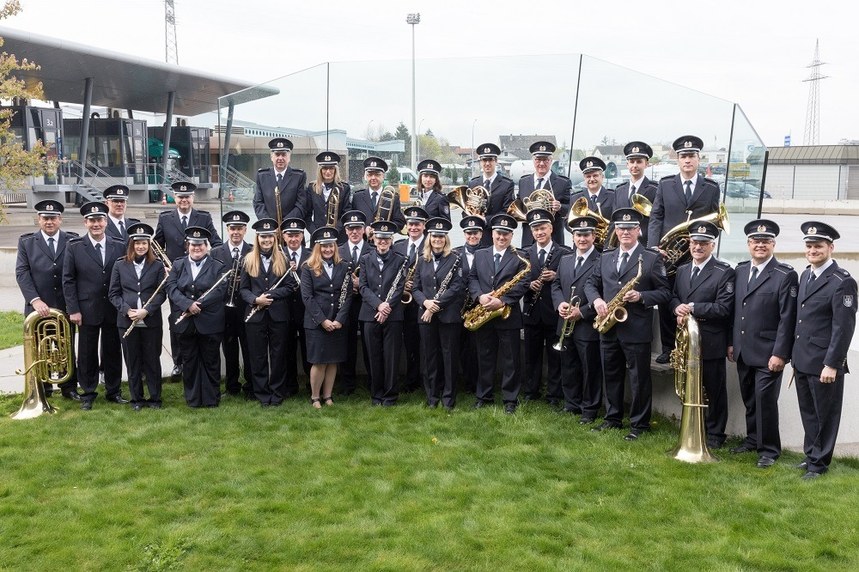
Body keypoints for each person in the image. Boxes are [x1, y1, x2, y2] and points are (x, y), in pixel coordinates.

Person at [584, 208, 671, 440]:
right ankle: (612, 418)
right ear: (616, 230)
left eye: (630, 228)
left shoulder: (652, 258)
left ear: (638, 231)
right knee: (610, 374)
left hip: (636, 329)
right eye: (621, 228)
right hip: (609, 325)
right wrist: (597, 300)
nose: (625, 232)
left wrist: (642, 297)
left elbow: (665, 293)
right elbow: (590, 284)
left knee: (639, 378)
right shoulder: (606, 256)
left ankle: (639, 425)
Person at [727, 220, 797, 467]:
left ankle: (769, 450)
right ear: (748, 244)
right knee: (749, 398)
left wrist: (780, 353)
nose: (760, 245)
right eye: (756, 241)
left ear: (773, 244)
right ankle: (752, 439)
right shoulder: (741, 270)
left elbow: (788, 319)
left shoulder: (785, 275)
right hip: (743, 350)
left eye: (765, 241)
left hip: (769, 354)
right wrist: (731, 343)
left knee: (765, 400)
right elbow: (736, 311)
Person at [791, 221, 856, 479]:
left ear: (831, 247)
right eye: (809, 246)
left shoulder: (842, 282)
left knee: (825, 416)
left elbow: (843, 328)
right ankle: (810, 455)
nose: (812, 250)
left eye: (818, 246)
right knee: (808, 412)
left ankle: (819, 463)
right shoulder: (806, 274)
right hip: (803, 359)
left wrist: (833, 363)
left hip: (824, 362)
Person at [647, 135, 720, 364]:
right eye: (683, 156)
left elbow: (715, 220)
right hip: (670, 254)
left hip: (696, 253)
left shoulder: (710, 187)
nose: (687, 160)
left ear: (699, 159)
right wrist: (653, 246)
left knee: (696, 298)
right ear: (677, 159)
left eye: (691, 156)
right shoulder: (666, 184)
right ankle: (669, 347)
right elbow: (656, 215)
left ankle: (693, 345)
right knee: (668, 297)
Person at [669, 221, 735, 450]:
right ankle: (693, 427)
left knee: (714, 389)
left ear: (712, 246)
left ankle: (716, 433)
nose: (698, 247)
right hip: (687, 342)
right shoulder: (683, 269)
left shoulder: (724, 272)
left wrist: (693, 307)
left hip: (711, 341)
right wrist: (677, 307)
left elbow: (725, 308)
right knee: (690, 386)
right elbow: (674, 297)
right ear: (689, 244)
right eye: (695, 242)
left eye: (704, 243)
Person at [62, 202, 127, 410]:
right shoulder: (74, 247)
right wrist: (73, 309)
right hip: (86, 309)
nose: (96, 224)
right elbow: (68, 280)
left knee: (112, 350)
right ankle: (88, 392)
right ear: (85, 223)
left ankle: (113, 390)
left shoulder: (119, 244)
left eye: (99, 220)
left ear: (106, 221)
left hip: (113, 307)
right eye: (92, 221)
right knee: (87, 352)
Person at [154, 180, 222, 377]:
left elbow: (216, 243)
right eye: (180, 196)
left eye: (187, 196)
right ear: (174, 198)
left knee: (200, 320)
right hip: (177, 279)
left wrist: (210, 265)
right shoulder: (166, 218)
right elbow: (156, 247)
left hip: (200, 277)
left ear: (193, 198)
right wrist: (164, 266)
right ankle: (179, 362)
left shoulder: (203, 217)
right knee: (176, 320)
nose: (184, 200)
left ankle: (199, 361)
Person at [15, 199, 80, 400]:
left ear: (60, 219)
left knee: (65, 348)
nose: (49, 222)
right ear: (39, 219)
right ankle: (44, 389)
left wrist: (73, 305)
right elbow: (22, 272)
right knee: (39, 349)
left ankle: (68, 388)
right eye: (45, 218)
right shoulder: (26, 242)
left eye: (53, 218)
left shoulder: (72, 239)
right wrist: (35, 300)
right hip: (38, 307)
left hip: (65, 305)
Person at [467, 213, 530, 413]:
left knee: (511, 359)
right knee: (484, 356)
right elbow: (472, 278)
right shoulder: (480, 254)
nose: (501, 237)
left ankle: (510, 399)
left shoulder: (521, 257)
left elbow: (523, 283)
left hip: (507, 314)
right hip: (484, 312)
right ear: (492, 233)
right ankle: (483, 396)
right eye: (498, 233)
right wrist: (479, 296)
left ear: (511, 236)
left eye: (506, 234)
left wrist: (502, 300)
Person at [166, 226, 229, 408]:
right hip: (185, 323)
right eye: (193, 245)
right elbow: (171, 288)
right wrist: (187, 305)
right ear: (188, 246)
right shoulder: (178, 265)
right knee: (190, 361)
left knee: (210, 361)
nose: (197, 248)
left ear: (207, 246)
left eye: (201, 245)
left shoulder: (217, 266)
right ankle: (193, 399)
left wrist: (198, 305)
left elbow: (219, 290)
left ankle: (211, 399)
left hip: (209, 322)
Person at [108, 223, 167, 410]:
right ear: (131, 244)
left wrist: (146, 311)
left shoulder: (157, 265)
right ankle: (137, 399)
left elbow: (161, 293)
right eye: (137, 243)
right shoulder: (120, 265)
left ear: (149, 245)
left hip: (150, 321)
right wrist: (127, 310)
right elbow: (113, 293)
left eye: (144, 243)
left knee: (152, 360)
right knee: (132, 361)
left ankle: (155, 398)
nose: (141, 246)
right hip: (127, 322)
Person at [552, 216, 602, 422]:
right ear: (573, 237)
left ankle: (589, 409)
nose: (582, 239)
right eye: (578, 235)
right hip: (564, 321)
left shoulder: (602, 260)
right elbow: (555, 285)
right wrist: (559, 304)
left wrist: (581, 311)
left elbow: (604, 293)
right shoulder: (565, 259)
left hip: (587, 324)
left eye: (586, 235)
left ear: (594, 236)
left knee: (590, 369)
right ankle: (571, 403)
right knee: (569, 365)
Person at [412, 217, 464, 409]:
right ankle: (432, 397)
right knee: (429, 357)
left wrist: (436, 305)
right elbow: (416, 288)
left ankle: (449, 398)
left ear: (446, 239)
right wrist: (426, 302)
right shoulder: (422, 259)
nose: (437, 240)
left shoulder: (455, 258)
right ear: (429, 238)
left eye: (441, 237)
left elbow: (457, 286)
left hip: (448, 316)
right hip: (425, 316)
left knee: (449, 358)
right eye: (434, 236)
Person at [240, 219, 293, 407]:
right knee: (258, 356)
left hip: (279, 315)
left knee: (278, 356)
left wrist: (270, 295)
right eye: (263, 236)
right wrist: (255, 300)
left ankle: (277, 393)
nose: (266, 240)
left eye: (270, 236)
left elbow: (289, 286)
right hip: (255, 315)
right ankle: (262, 394)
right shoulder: (247, 259)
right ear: (257, 238)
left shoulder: (284, 258)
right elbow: (243, 289)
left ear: (274, 238)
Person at [300, 226, 353, 408]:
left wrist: (339, 319)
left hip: (337, 322)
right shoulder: (307, 268)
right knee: (319, 361)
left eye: (331, 246)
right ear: (317, 247)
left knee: (333, 361)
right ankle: (315, 397)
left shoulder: (344, 266)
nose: (328, 249)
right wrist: (323, 320)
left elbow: (347, 295)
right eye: (324, 246)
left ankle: (328, 395)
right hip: (317, 323)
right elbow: (307, 297)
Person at [521, 208, 570, 404]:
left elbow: (571, 278)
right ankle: (531, 392)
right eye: (535, 230)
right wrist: (528, 285)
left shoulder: (564, 253)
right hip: (532, 312)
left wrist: (557, 276)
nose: (539, 233)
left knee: (554, 356)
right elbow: (518, 280)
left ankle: (554, 394)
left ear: (551, 228)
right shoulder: (525, 253)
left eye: (542, 228)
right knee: (531, 355)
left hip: (553, 311)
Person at [358, 220, 407, 406]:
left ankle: (390, 395)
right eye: (379, 238)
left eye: (386, 238)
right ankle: (376, 395)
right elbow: (363, 287)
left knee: (391, 357)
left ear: (391, 239)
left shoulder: (401, 260)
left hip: (393, 316)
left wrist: (387, 307)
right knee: (373, 356)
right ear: (374, 238)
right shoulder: (365, 259)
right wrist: (379, 305)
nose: (383, 241)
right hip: (370, 314)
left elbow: (399, 287)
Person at [210, 210, 254, 399]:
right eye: (232, 228)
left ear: (245, 230)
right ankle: (232, 385)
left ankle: (251, 385)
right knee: (229, 349)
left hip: (246, 307)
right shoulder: (216, 252)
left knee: (249, 347)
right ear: (227, 229)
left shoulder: (253, 250)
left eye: (240, 228)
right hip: (225, 309)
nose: (236, 232)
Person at [337, 210, 374, 396]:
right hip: (345, 304)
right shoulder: (337, 251)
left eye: (358, 228)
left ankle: (372, 381)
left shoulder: (373, 250)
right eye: (350, 228)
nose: (354, 232)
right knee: (346, 342)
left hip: (367, 303)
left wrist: (361, 285)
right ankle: (347, 383)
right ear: (345, 230)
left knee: (369, 343)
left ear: (363, 230)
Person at [393, 206, 427, 392]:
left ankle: (425, 378)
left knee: (424, 343)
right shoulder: (397, 246)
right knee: (408, 343)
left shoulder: (430, 245)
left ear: (424, 226)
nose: (413, 227)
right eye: (411, 224)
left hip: (422, 301)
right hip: (402, 302)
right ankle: (411, 379)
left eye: (417, 224)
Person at [517, 141, 571, 247]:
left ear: (551, 161)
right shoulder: (523, 182)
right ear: (533, 160)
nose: (541, 163)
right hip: (529, 238)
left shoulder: (563, 182)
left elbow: (570, 208)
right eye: (538, 159)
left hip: (553, 238)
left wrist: (560, 207)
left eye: (545, 160)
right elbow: (519, 205)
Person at [454, 215, 486, 394]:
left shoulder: (488, 253)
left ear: (481, 234)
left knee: (478, 347)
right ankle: (465, 382)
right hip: (458, 306)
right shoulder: (454, 253)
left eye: (476, 233)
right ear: (464, 234)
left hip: (479, 306)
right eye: (468, 233)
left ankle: (477, 383)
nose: (472, 236)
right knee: (461, 346)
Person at [281, 218, 311, 396]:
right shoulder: (279, 255)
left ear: (302, 236)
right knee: (287, 348)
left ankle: (311, 384)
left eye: (297, 235)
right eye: (290, 235)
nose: (293, 239)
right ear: (284, 237)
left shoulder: (311, 254)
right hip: (284, 309)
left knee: (309, 348)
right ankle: (290, 385)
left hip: (306, 309)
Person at [609, 141, 658, 246]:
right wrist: (607, 248)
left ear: (646, 164)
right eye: (632, 161)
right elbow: (613, 222)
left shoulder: (655, 189)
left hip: (644, 244)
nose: (635, 165)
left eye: (639, 161)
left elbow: (657, 221)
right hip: (621, 246)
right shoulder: (619, 190)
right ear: (627, 164)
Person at [469, 143, 514, 248]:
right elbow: (466, 208)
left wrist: (485, 220)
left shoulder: (506, 184)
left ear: (496, 161)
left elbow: (507, 211)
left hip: (497, 235)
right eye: (484, 160)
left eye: (491, 160)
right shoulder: (473, 183)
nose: (487, 163)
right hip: (475, 235)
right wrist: (472, 217)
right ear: (480, 162)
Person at [253, 137, 308, 222]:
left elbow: (301, 205)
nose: (280, 158)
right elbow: (258, 203)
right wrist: (269, 224)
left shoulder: (299, 176)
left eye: (284, 154)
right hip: (269, 229)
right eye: (277, 154)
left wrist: (284, 224)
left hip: (291, 228)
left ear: (289, 157)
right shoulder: (262, 176)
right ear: (271, 157)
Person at [351, 156, 406, 238]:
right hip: (363, 243)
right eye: (370, 175)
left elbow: (400, 222)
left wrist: (385, 229)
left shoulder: (392, 197)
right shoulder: (357, 197)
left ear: (383, 176)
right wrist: (364, 228)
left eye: (377, 174)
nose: (373, 178)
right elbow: (353, 219)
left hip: (384, 243)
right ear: (366, 177)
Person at [570, 157, 615, 249]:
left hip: (605, 248)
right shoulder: (576, 198)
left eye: (595, 175)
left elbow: (615, 222)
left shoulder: (613, 196)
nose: (591, 179)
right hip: (581, 247)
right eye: (588, 176)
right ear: (584, 178)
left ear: (602, 177)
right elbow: (568, 221)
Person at [307, 151, 352, 234]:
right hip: (318, 235)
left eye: (331, 168)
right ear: (320, 170)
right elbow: (307, 214)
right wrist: (315, 232)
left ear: (335, 170)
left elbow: (346, 214)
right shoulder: (312, 188)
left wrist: (334, 231)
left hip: (338, 236)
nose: (328, 171)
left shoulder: (344, 188)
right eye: (324, 168)